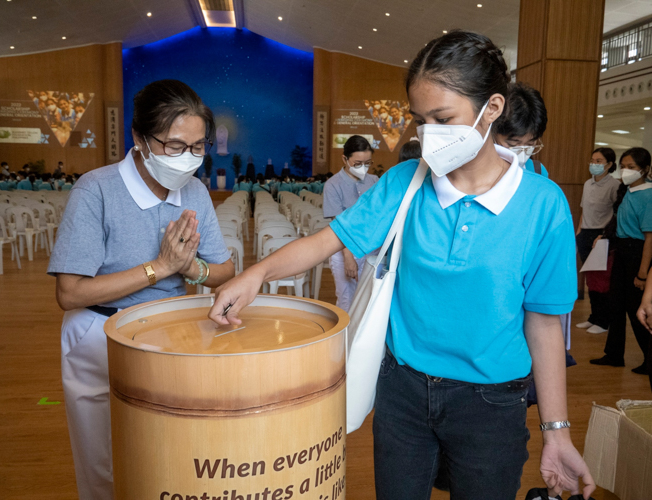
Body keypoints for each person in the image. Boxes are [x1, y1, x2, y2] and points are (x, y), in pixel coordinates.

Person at [208, 31, 595, 500]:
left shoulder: (543, 205)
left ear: (492, 109)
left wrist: (556, 430)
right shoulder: (405, 184)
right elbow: (328, 239)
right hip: (403, 390)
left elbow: (544, 322)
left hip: (491, 402)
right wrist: (256, 274)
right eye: (419, 119)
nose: (428, 133)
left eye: (443, 118)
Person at [47, 79, 235, 500]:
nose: (187, 159)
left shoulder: (196, 192)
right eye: (173, 146)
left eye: (197, 147)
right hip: (100, 334)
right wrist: (161, 267)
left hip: (173, 331)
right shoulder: (96, 190)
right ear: (139, 138)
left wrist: (193, 267)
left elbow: (223, 270)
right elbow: (71, 293)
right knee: (103, 464)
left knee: (169, 457)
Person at [591, 147, 652, 375]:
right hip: (622, 251)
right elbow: (618, 221)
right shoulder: (627, 191)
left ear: (645, 170)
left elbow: (649, 239)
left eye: (632, 168)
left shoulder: (648, 195)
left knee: (636, 309)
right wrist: (604, 235)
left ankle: (649, 358)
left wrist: (643, 274)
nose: (626, 171)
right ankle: (614, 354)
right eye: (624, 166)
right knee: (615, 304)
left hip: (638, 254)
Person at [322, 135, 378, 311]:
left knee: (370, 300)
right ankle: (346, 338)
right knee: (347, 300)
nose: (363, 168)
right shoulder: (333, 185)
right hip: (344, 249)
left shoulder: (374, 181)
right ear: (345, 159)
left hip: (371, 249)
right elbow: (338, 225)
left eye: (367, 163)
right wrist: (348, 257)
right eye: (357, 163)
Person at [575, 148, 620, 334]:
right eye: (592, 160)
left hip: (602, 236)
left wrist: (605, 235)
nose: (594, 164)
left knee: (602, 280)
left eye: (599, 161)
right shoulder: (587, 183)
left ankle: (603, 321)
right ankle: (594, 317)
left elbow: (616, 214)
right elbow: (584, 210)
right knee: (590, 280)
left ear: (609, 164)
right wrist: (578, 234)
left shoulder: (615, 185)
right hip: (585, 233)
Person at [493, 82, 548, 177]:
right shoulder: (474, 173)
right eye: (513, 144)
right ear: (492, 132)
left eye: (529, 145)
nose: (522, 157)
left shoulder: (537, 171)